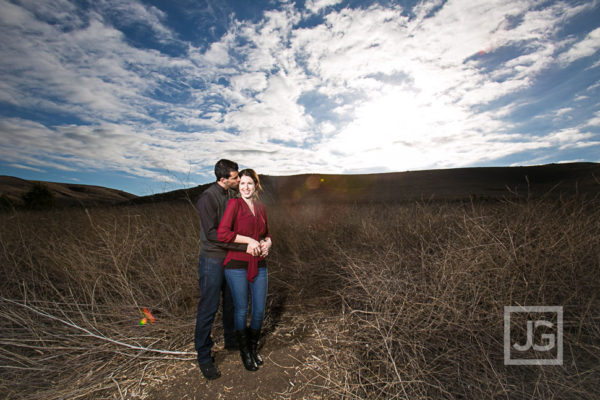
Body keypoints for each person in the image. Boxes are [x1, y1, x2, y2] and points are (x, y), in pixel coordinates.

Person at [194, 159, 261, 380]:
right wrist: (242, 244)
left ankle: (232, 341)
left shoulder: (230, 196)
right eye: (235, 178)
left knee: (232, 303)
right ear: (223, 179)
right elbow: (213, 233)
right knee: (209, 307)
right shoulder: (207, 198)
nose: (239, 180)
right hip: (212, 260)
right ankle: (204, 356)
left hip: (230, 259)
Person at [217, 168, 272, 371]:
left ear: (256, 185)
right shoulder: (234, 204)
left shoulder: (261, 207)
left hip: (259, 263)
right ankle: (245, 353)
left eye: (249, 183)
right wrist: (249, 239)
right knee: (241, 309)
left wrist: (267, 244)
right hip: (236, 265)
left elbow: (267, 234)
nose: (245, 187)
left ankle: (253, 347)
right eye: (242, 183)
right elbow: (223, 234)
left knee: (258, 310)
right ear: (238, 186)